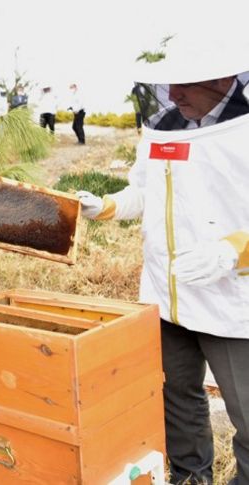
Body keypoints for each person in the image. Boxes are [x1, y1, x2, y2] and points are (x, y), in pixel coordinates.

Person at [76, 33, 249, 485]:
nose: (172, 95)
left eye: (184, 85)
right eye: (168, 85)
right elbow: (144, 190)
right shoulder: (165, 124)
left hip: (233, 301)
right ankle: (193, 476)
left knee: (247, 412)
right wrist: (108, 206)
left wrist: (235, 250)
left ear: (221, 77)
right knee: (176, 398)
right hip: (165, 294)